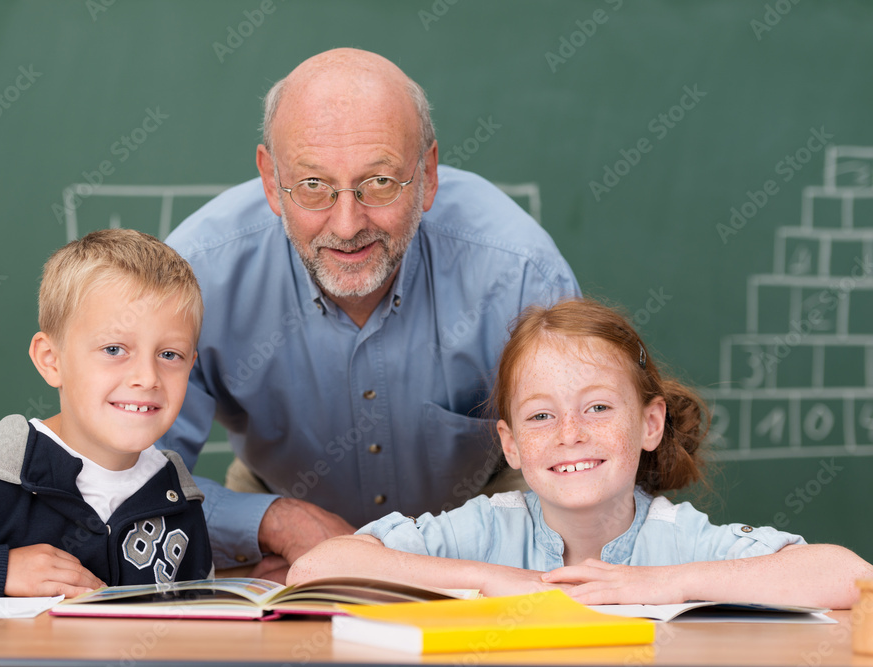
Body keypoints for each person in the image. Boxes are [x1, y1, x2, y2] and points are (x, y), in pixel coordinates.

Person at [162, 47, 580, 575]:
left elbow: (584, 468)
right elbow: (133, 475)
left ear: (426, 173)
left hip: (492, 527)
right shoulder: (195, 276)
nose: (345, 224)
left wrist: (447, 558)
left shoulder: (521, 272)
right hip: (278, 532)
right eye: (312, 185)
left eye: (379, 182)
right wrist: (273, 522)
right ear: (272, 181)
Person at [286, 299, 873, 608]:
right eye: (541, 416)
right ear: (511, 445)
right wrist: (490, 579)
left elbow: (849, 577)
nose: (570, 433)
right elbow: (316, 567)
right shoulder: (487, 528)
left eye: (597, 408)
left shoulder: (677, 537)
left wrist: (663, 585)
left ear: (649, 423)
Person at [0, 229, 213, 596]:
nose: (147, 377)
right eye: (114, 349)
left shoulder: (177, 495)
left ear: (191, 365)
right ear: (51, 361)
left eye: (169, 355)